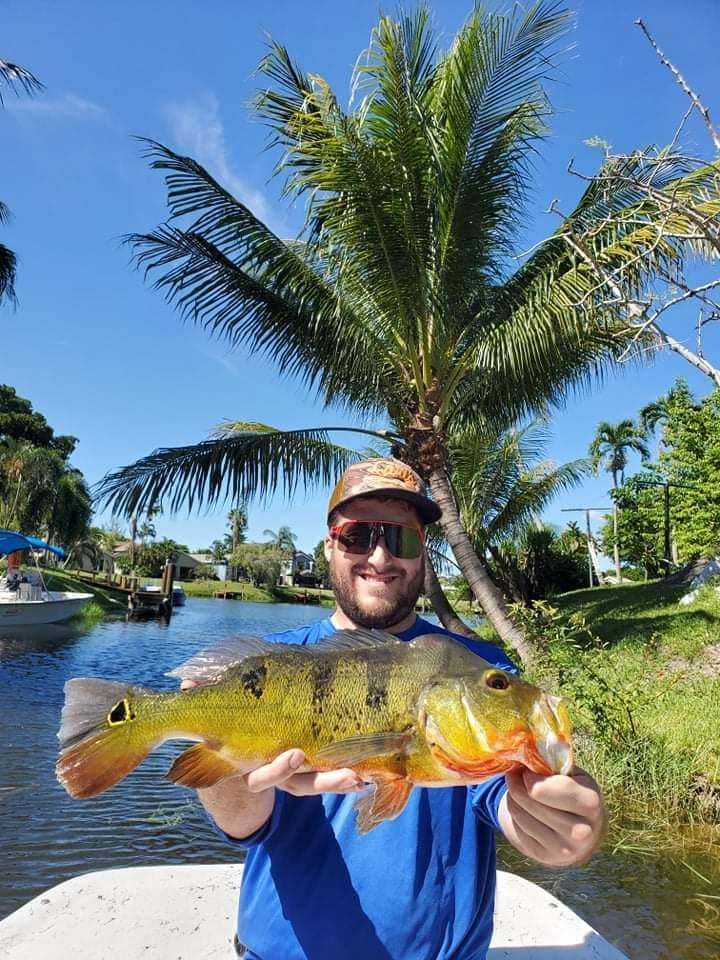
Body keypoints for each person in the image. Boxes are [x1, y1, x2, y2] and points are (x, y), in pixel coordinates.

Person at [187, 459, 606, 959]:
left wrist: (560, 826)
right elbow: (242, 825)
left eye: (401, 540)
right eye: (359, 536)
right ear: (329, 544)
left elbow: (502, 793)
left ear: (422, 553)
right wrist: (229, 769)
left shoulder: (477, 668)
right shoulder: (269, 666)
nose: (381, 557)